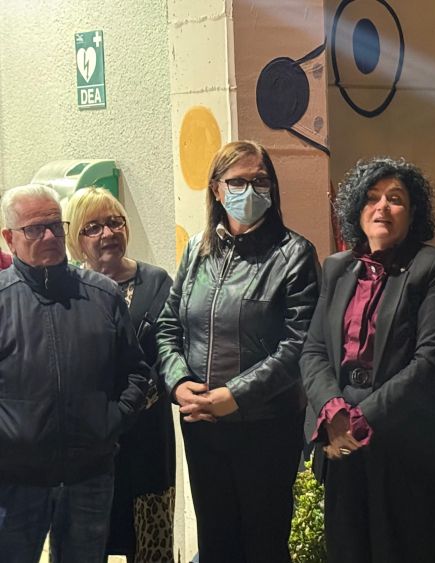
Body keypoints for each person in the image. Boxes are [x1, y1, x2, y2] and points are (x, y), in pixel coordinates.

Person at [157, 141, 320, 563]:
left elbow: (298, 344)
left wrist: (235, 395)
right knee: (216, 543)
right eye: (237, 182)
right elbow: (169, 325)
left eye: (260, 180)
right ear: (216, 189)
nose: (250, 190)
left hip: (265, 427)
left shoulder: (294, 254)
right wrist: (178, 383)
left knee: (264, 546)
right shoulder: (197, 250)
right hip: (201, 425)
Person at [300, 157, 435, 563]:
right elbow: (314, 350)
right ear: (357, 209)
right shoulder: (337, 268)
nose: (382, 207)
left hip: (408, 449)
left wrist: (358, 421)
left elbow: (430, 362)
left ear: (413, 212)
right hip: (343, 445)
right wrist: (332, 412)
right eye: (372, 198)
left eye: (396, 199)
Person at [0, 184, 150, 563]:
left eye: (55, 225)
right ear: (9, 238)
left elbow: (135, 372)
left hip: (89, 478)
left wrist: (111, 423)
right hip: (15, 484)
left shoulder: (103, 295)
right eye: (35, 229)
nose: (50, 237)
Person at [65, 187, 175, 563]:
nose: (108, 233)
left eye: (115, 222)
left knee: (150, 546)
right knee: (87, 544)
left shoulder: (156, 282)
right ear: (75, 238)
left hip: (147, 435)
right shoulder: (68, 289)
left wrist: (129, 405)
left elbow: (169, 352)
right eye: (93, 227)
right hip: (89, 442)